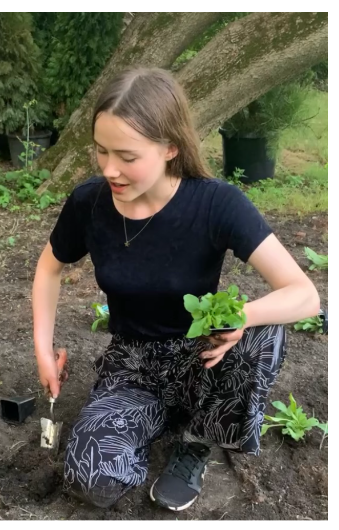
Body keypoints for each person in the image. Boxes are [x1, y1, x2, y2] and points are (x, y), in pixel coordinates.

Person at [31, 67, 320, 512]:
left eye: (127, 156)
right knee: (91, 478)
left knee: (264, 328)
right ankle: (154, 418)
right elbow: (48, 269)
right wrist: (43, 349)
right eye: (101, 151)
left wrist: (242, 318)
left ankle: (196, 441)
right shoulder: (89, 203)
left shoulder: (216, 204)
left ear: (170, 148)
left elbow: (304, 295)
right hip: (133, 365)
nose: (110, 169)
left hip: (203, 355)